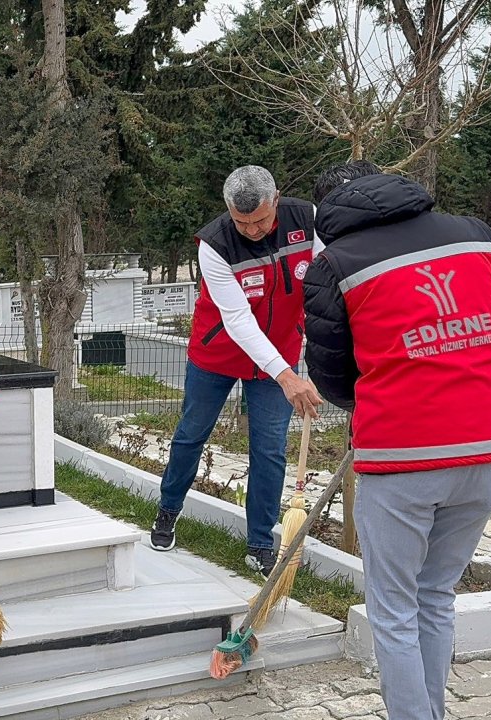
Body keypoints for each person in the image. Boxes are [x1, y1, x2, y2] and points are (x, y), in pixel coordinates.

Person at [303, 161, 491, 720]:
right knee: (436, 595)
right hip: (486, 452)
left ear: (329, 214)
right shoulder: (472, 234)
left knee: (393, 610)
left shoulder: (334, 267)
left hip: (401, 461)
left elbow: (331, 378)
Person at [149, 165, 324, 577]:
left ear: (276, 199)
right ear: (229, 211)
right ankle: (168, 509)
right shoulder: (213, 243)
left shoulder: (308, 220)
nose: (253, 230)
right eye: (242, 222)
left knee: (269, 449)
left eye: (261, 220)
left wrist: (314, 358)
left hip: (279, 352)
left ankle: (260, 542)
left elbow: (323, 290)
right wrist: (288, 376)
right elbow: (238, 319)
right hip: (219, 352)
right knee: (192, 434)